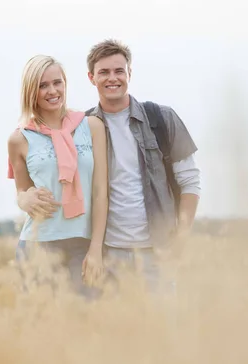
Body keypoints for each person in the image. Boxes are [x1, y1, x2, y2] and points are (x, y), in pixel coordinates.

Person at [85, 39, 201, 294]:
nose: (112, 78)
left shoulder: (161, 118)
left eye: (119, 71)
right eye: (104, 72)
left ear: (130, 74)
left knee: (160, 331)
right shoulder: (82, 128)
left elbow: (190, 181)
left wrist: (182, 236)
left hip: (158, 253)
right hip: (107, 255)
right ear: (91, 77)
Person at [7, 54, 109, 298]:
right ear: (31, 91)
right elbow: (22, 191)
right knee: (42, 329)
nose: (52, 91)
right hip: (37, 244)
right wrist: (24, 200)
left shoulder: (92, 126)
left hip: (82, 245)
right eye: (43, 85)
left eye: (57, 82)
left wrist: (96, 249)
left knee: (85, 325)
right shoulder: (19, 138)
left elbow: (100, 191)